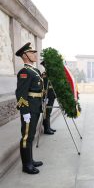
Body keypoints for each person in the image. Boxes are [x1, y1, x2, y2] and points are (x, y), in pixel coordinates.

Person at [15, 42, 43, 174]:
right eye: (32, 53)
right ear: (25, 56)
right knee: (26, 136)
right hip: (29, 108)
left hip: (36, 107)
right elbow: (20, 93)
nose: (34, 55)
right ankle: (26, 165)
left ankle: (30, 160)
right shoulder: (24, 72)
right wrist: (24, 111)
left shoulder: (34, 70)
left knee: (31, 135)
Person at [40, 61, 56, 135]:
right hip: (47, 97)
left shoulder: (51, 74)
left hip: (51, 96)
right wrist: (45, 97)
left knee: (49, 112)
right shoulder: (45, 75)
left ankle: (48, 127)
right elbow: (44, 87)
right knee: (46, 113)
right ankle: (46, 129)